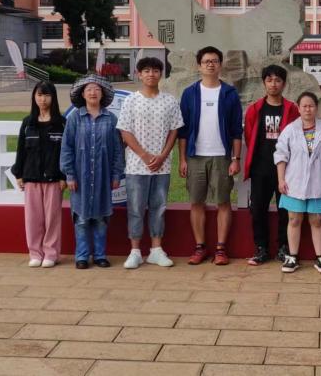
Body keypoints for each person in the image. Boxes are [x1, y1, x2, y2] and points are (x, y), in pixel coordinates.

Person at [178, 46, 243, 265]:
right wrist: (183, 159)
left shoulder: (229, 93)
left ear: (220, 65)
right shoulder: (190, 93)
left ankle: (221, 249)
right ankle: (200, 247)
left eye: (214, 61)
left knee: (223, 202)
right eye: (206, 61)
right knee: (196, 202)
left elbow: (236, 130)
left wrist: (235, 159)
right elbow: (183, 130)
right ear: (199, 66)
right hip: (196, 156)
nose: (210, 64)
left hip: (221, 157)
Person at [116, 57, 182, 269]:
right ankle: (135, 251)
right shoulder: (131, 101)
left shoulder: (170, 101)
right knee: (135, 208)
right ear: (139, 74)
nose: (151, 74)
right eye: (146, 70)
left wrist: (163, 156)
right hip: (136, 166)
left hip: (162, 166)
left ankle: (156, 249)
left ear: (161, 74)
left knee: (158, 207)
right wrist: (144, 156)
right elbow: (125, 131)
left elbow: (174, 130)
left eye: (155, 70)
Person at [60, 74, 125, 269]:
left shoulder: (111, 119)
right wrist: (69, 175)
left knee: (101, 218)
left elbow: (118, 151)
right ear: (82, 94)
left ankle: (100, 255)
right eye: (88, 89)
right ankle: (81, 256)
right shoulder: (74, 119)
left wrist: (116, 175)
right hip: (80, 177)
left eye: (97, 89)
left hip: (103, 177)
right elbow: (66, 148)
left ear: (102, 93)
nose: (93, 92)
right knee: (81, 219)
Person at [275, 92, 321, 274]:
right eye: (304, 106)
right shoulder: (290, 130)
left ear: (316, 108)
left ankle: (320, 257)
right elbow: (281, 155)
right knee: (294, 219)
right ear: (298, 108)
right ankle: (292, 257)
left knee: (317, 220)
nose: (308, 109)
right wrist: (281, 179)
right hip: (294, 183)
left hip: (317, 183)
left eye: (311, 106)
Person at [243, 65, 298, 266]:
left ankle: (283, 247)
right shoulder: (255, 109)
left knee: (286, 209)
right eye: (269, 80)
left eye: (277, 80)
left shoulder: (292, 109)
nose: (273, 84)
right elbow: (249, 136)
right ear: (264, 83)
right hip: (261, 167)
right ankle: (261, 248)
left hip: (286, 169)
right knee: (258, 208)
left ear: (284, 84)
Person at [10, 81, 66, 268]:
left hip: (54, 179)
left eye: (47, 95)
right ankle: (35, 253)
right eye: (39, 95)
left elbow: (66, 152)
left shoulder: (61, 123)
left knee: (52, 219)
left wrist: (64, 176)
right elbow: (21, 150)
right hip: (31, 177)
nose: (43, 99)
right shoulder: (28, 123)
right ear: (34, 97)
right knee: (33, 218)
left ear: (53, 97)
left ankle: (51, 254)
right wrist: (18, 174)